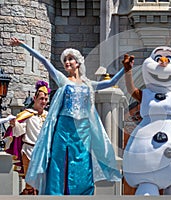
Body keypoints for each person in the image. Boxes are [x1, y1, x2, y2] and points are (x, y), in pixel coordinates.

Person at [10, 37, 123, 195]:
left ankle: (82, 194)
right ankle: (55, 194)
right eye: (65, 60)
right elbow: (43, 60)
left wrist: (125, 69)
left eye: (70, 59)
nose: (67, 62)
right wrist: (23, 44)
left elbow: (111, 83)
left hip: (83, 130)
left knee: (83, 163)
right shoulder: (63, 80)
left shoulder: (88, 84)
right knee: (59, 161)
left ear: (78, 62)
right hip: (64, 129)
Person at [122, 46, 171, 195]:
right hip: (147, 135)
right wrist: (128, 70)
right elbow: (131, 88)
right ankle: (147, 186)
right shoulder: (145, 94)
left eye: (168, 59)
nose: (163, 63)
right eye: (158, 59)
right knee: (147, 190)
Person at [4, 81, 50, 195]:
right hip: (29, 150)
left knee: (42, 184)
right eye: (41, 98)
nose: (43, 101)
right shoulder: (27, 114)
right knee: (30, 184)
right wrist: (15, 124)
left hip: (43, 153)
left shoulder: (49, 116)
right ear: (34, 98)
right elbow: (19, 131)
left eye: (45, 99)